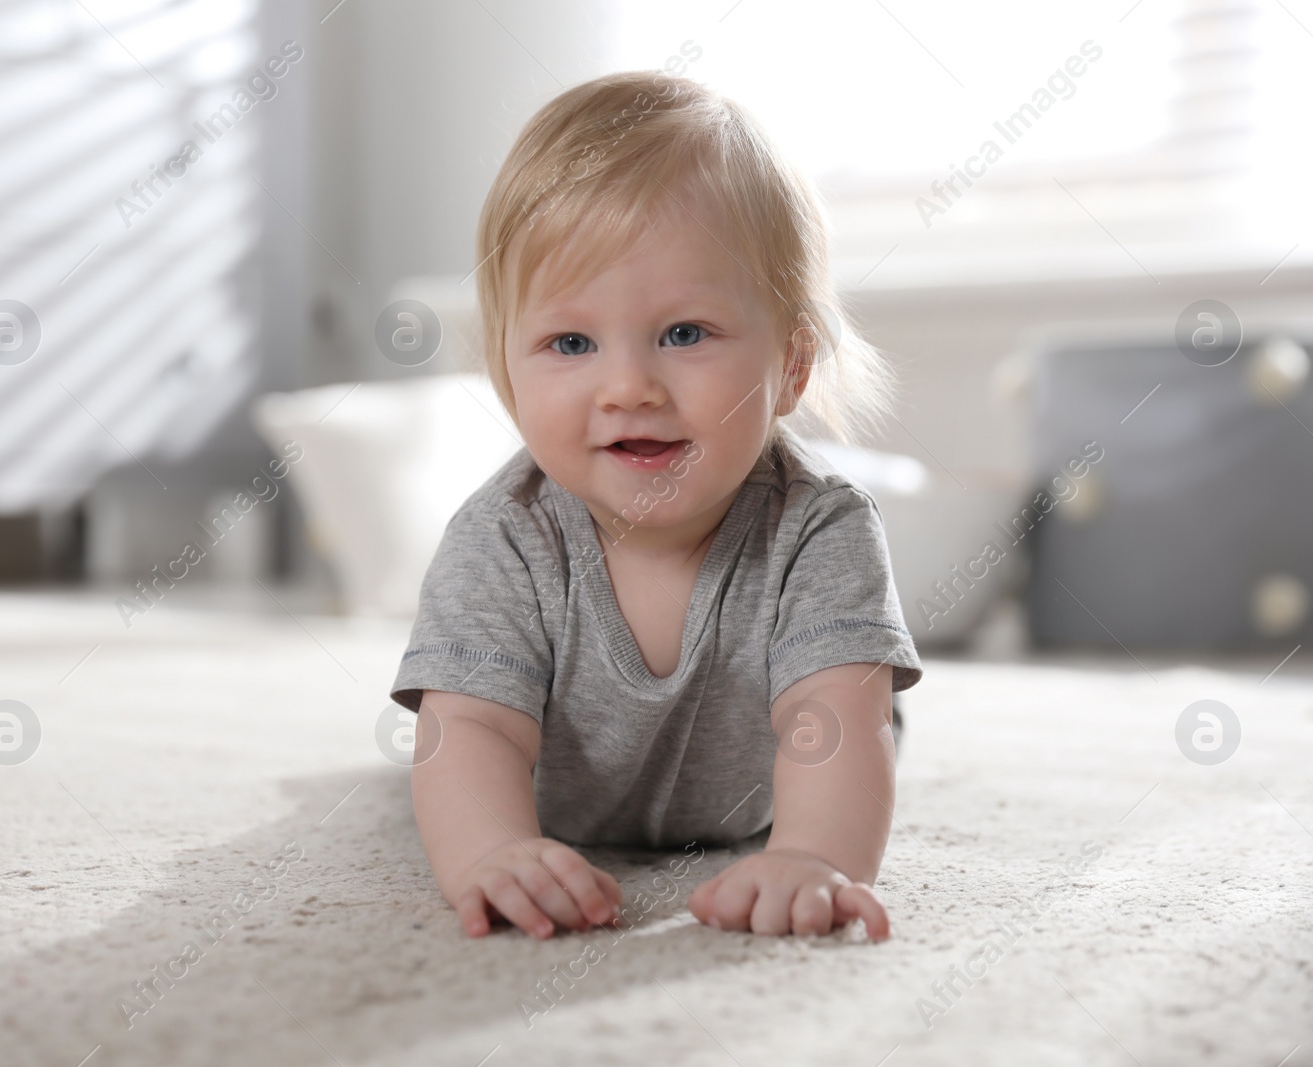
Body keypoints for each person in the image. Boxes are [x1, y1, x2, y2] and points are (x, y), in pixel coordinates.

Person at [389, 70, 923, 940]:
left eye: (684, 333)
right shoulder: (506, 537)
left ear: (789, 365)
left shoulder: (820, 529)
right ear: (508, 374)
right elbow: (472, 727)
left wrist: (814, 856)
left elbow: (837, 718)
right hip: (556, 801)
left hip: (750, 808)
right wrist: (490, 849)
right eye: (570, 342)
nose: (629, 386)